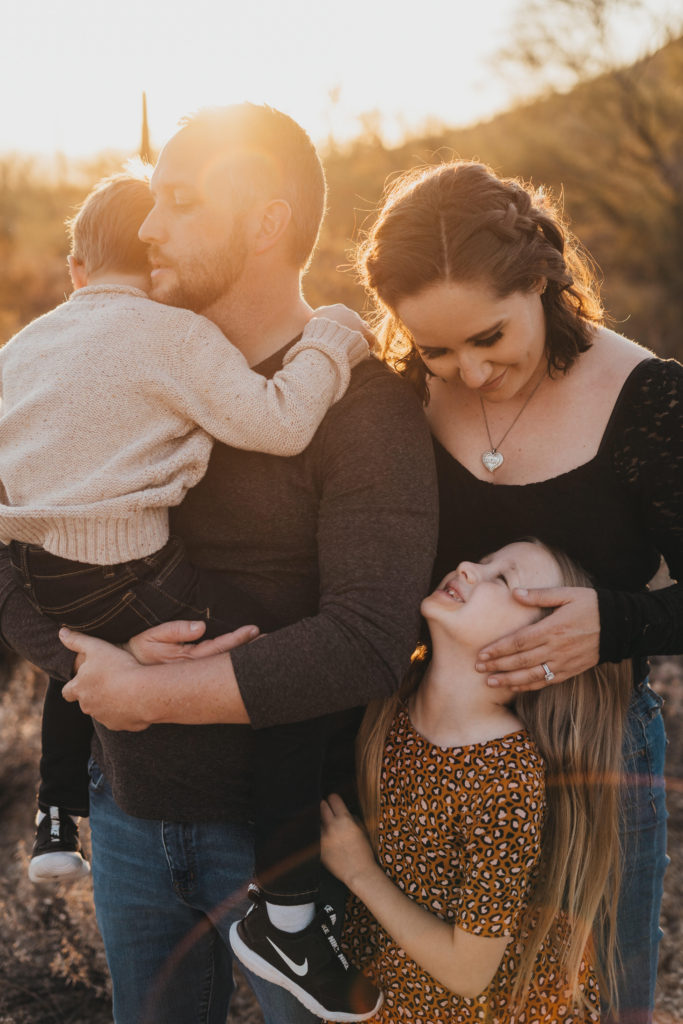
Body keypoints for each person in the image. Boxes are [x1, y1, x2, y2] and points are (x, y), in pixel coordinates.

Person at [0, 104, 438, 1024]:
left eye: (179, 202)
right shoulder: (114, 370)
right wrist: (91, 667)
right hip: (127, 815)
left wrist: (151, 691)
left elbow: (367, 641)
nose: (148, 227)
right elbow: (15, 559)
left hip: (289, 840)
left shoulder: (360, 408)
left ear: (266, 223)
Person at [355, 160, 681, 1023]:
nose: (464, 373)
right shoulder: (396, 397)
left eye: (488, 338)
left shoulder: (649, 398)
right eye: (434, 348)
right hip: (435, 746)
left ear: (540, 278)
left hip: (597, 750)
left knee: (603, 993)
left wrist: (617, 620)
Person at [321, 539, 634, 1022]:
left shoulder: (504, 779)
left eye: (503, 580)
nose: (468, 567)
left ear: (543, 644)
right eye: (484, 562)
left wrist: (358, 872)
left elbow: (470, 972)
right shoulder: (392, 699)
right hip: (390, 1000)